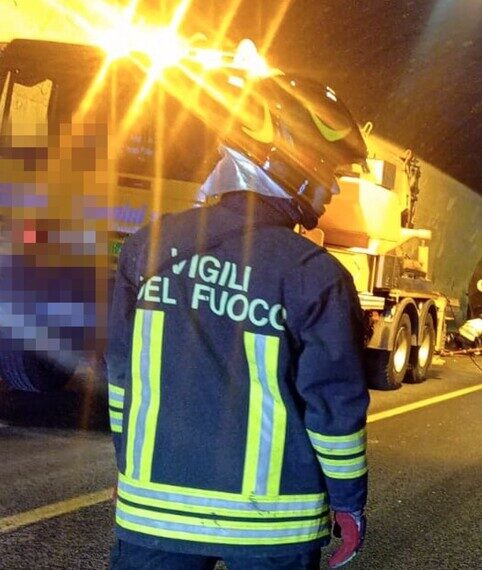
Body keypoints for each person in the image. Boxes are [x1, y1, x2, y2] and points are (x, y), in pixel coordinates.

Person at [105, 71, 372, 569]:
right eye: (329, 167)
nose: (334, 186)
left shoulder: (147, 246)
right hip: (272, 526)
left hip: (153, 516)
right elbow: (334, 412)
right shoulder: (314, 275)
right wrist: (348, 502)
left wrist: (132, 464)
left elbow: (122, 378)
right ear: (294, 161)